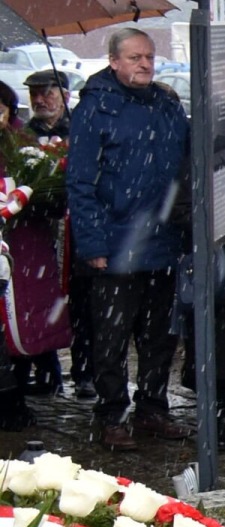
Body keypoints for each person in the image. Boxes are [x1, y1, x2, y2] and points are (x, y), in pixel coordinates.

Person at [67, 27, 191, 451]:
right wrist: (93, 245)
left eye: (150, 57)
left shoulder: (167, 105)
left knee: (160, 336)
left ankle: (152, 407)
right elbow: (80, 182)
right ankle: (112, 414)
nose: (145, 64)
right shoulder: (95, 108)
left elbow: (187, 163)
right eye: (136, 57)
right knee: (112, 337)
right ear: (114, 61)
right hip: (116, 243)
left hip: (163, 240)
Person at [20, 69, 75, 401]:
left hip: (75, 230)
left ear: (65, 96)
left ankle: (83, 371)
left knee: (77, 301)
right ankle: (42, 365)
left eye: (47, 93)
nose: (40, 100)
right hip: (38, 232)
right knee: (38, 300)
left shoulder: (78, 130)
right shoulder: (24, 136)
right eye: (34, 95)